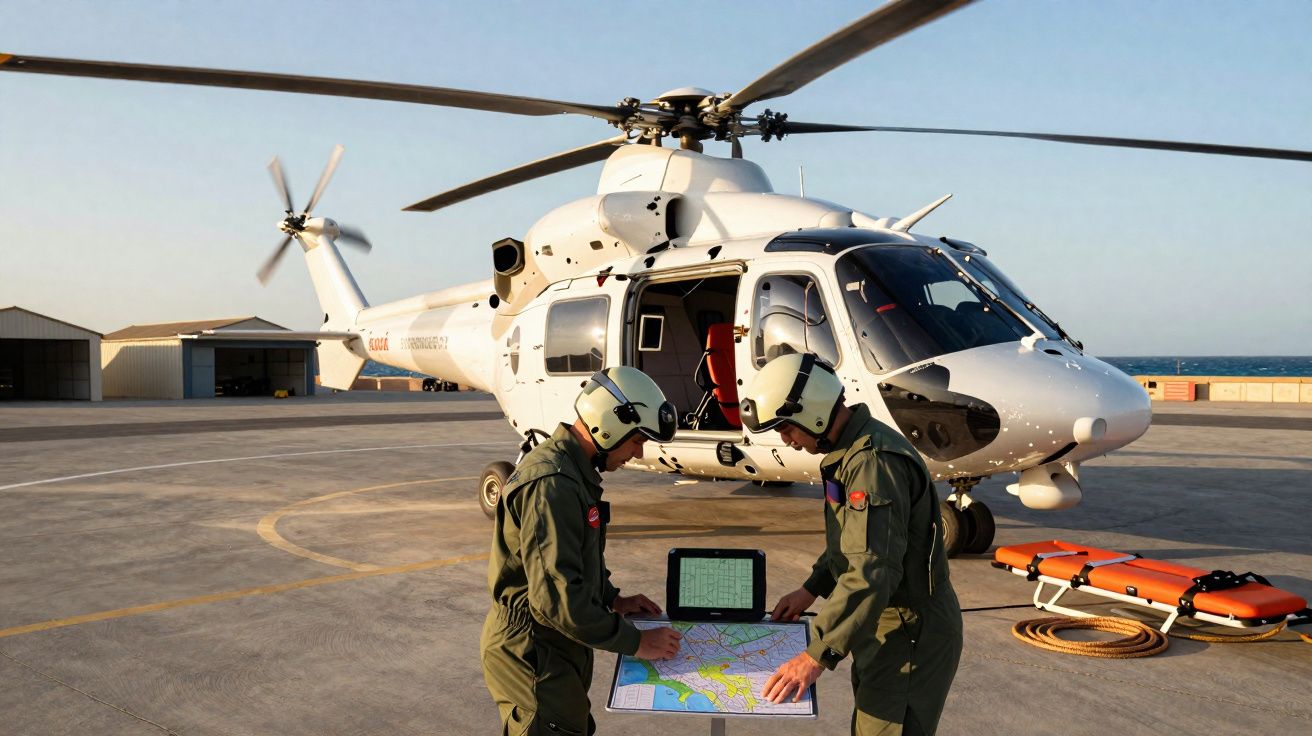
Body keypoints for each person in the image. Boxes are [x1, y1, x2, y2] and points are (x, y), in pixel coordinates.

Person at [739, 353, 962, 735]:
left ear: (812, 414)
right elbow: (853, 543)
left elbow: (872, 570)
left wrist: (815, 656)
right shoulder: (853, 452)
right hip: (886, 621)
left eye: (787, 429)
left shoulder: (871, 464)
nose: (787, 441)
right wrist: (812, 589)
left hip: (906, 630)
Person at [481, 366, 684, 735]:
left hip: (555, 643)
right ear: (610, 424)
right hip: (536, 649)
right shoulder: (553, 483)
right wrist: (637, 642)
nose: (637, 452)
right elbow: (556, 600)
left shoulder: (573, 473)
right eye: (637, 440)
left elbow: (570, 562)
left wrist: (612, 598)